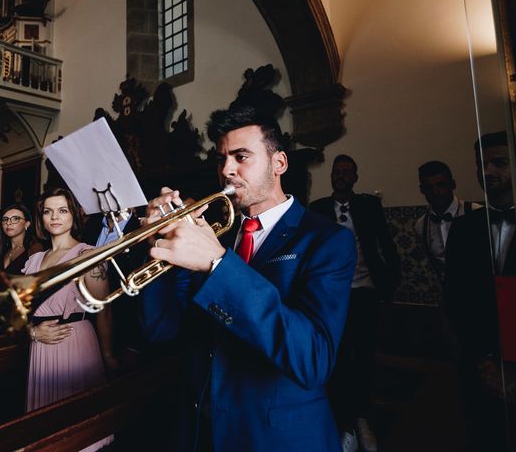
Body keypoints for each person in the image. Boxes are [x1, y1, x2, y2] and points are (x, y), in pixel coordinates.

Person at [141, 105, 356, 451]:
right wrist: (159, 243)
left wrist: (217, 264)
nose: (227, 170)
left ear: (279, 163)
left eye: (242, 157)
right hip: (204, 433)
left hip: (275, 438)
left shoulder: (327, 240)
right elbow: (161, 328)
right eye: (222, 159)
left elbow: (312, 358)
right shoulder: (216, 237)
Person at [445, 131, 516, 451]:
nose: (488, 171)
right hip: (482, 366)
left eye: (499, 163)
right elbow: (456, 299)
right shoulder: (464, 228)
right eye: (482, 164)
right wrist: (487, 362)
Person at [309, 154, 401, 452]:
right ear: (332, 176)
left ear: (355, 177)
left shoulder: (368, 206)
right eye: (337, 172)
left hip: (365, 291)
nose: (342, 176)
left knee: (363, 356)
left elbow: (385, 244)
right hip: (331, 297)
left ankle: (361, 418)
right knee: (337, 358)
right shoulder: (318, 209)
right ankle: (344, 422)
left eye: (347, 172)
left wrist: (390, 282)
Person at [23, 187, 115, 451]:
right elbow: (20, 310)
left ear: (74, 215)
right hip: (40, 345)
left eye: (62, 210)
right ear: (40, 218)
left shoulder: (87, 255)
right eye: (48, 211)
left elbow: (104, 309)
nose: (55, 217)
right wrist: (32, 332)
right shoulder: (34, 259)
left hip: (75, 340)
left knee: (78, 432)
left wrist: (107, 356)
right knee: (44, 432)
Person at [82, 210, 148, 371]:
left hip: (126, 329)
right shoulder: (91, 225)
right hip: (89, 326)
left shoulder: (142, 227)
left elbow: (144, 291)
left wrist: (133, 344)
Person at [415, 161, 480, 284]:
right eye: (429, 187)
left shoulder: (476, 212)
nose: (435, 191)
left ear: (453, 184)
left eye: (441, 185)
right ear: (422, 190)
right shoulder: (421, 225)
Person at [0, 203, 41, 275]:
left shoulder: (35, 248)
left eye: (15, 219)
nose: (8, 223)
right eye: (5, 219)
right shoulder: (4, 249)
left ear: (27, 224)